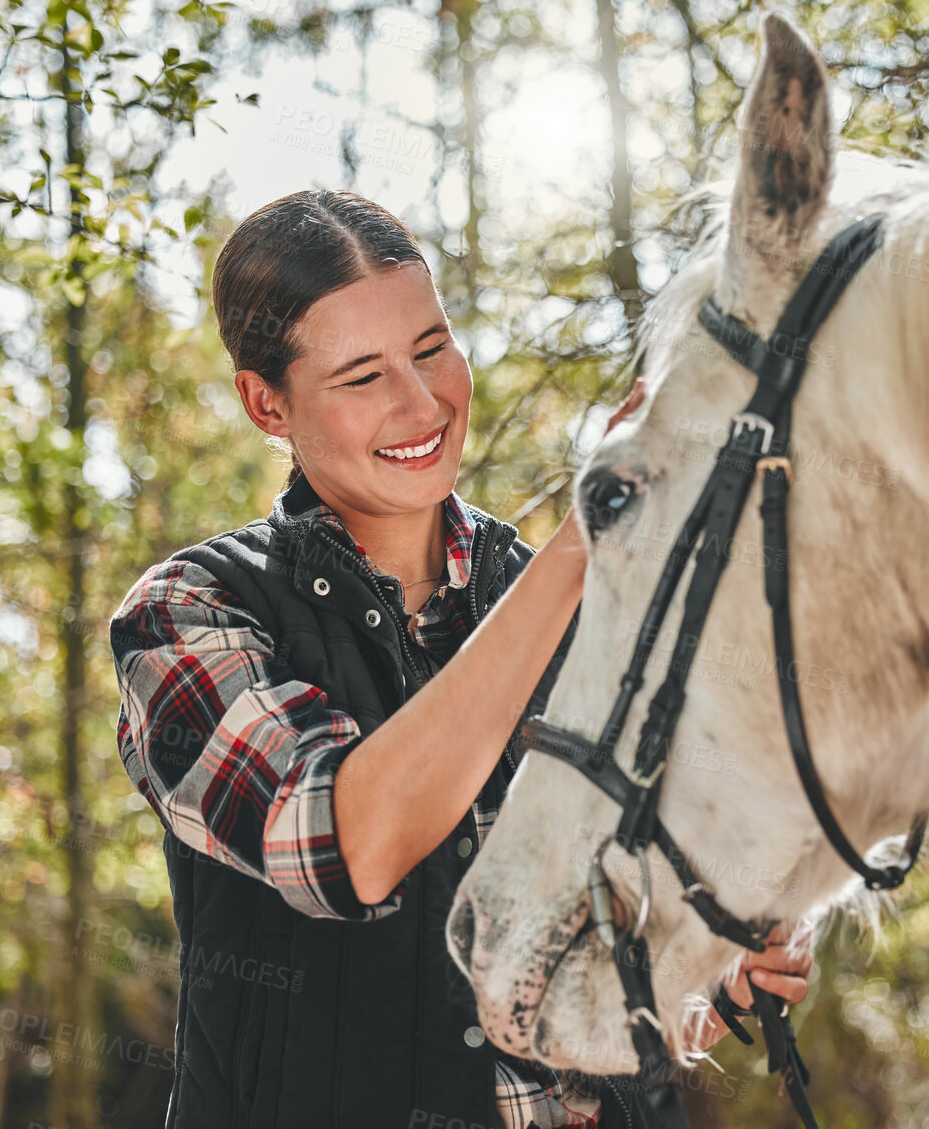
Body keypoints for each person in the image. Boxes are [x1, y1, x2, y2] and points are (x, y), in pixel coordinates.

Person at [108, 190, 812, 1128]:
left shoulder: (574, 605)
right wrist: (584, 542)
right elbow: (351, 845)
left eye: (432, 347)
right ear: (264, 401)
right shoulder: (190, 615)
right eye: (362, 376)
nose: (421, 400)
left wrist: (720, 988)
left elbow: (591, 999)